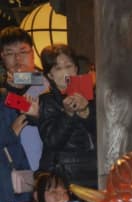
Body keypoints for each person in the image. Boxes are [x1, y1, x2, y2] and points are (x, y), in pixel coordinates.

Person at [37, 44, 97, 188]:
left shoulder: (92, 97)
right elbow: (52, 141)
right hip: (64, 175)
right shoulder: (48, 100)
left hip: (94, 170)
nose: (66, 72)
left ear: (76, 69)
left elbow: (104, 133)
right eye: (58, 68)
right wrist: (68, 115)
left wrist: (86, 113)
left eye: (69, 66)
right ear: (50, 75)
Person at [0, 27, 45, 202]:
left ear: (33, 54)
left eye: (23, 51)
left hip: (48, 176)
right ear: (2, 58)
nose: (17, 59)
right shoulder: (3, 95)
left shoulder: (49, 85)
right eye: (10, 53)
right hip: (14, 180)